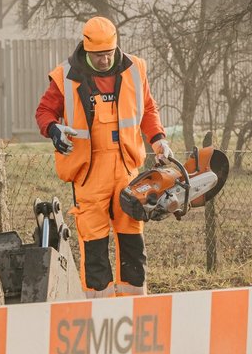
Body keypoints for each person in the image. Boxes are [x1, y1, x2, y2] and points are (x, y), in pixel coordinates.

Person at [35, 16, 173, 297]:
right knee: (94, 244)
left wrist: (158, 141)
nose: (104, 60)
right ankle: (99, 310)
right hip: (88, 174)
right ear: (87, 50)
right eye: (98, 56)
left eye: (109, 54)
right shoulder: (65, 77)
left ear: (115, 47)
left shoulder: (135, 70)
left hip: (126, 171)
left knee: (132, 238)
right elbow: (44, 112)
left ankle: (135, 304)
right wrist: (53, 129)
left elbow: (148, 110)